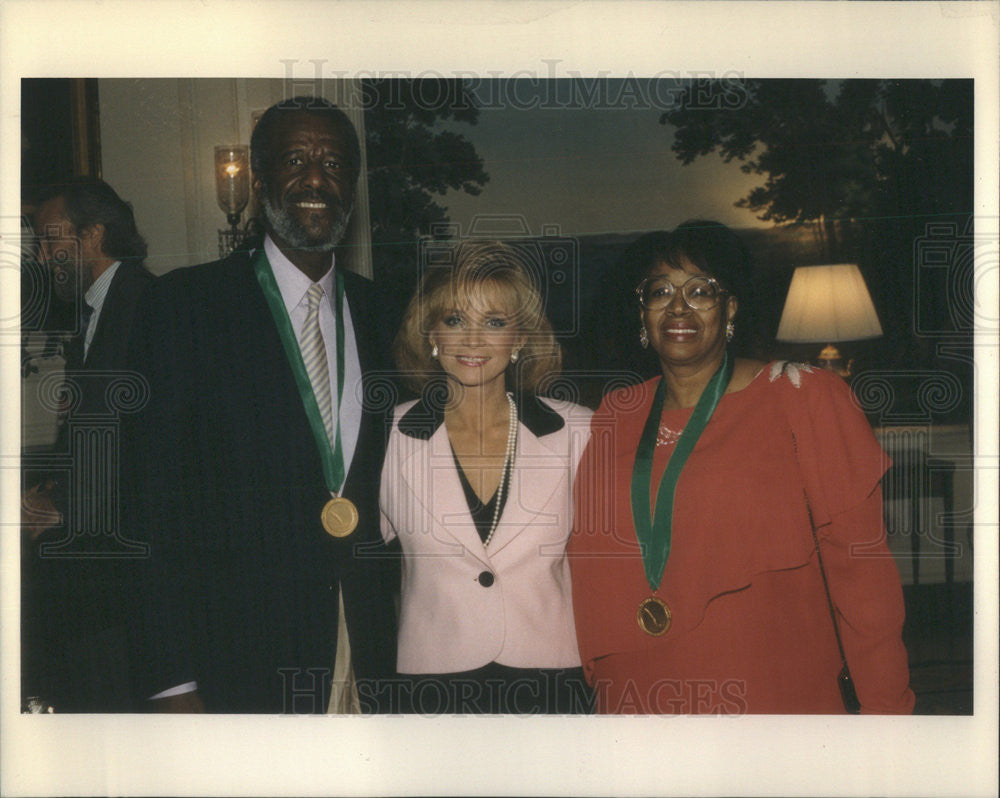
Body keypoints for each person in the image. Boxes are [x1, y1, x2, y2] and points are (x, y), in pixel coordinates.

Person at [569, 220, 914, 714]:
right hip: (638, 696)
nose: (679, 306)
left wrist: (889, 720)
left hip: (768, 692)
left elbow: (864, 582)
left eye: (701, 290)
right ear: (642, 313)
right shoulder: (615, 414)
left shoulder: (803, 398)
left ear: (730, 308)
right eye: (660, 291)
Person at [124, 97, 396, 713]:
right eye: (295, 159)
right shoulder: (184, 308)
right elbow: (148, 509)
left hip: (376, 660)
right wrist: (173, 685)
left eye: (333, 163)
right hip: (240, 666)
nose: (316, 179)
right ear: (259, 179)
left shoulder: (385, 312)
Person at [380, 241, 594, 713]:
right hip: (431, 689)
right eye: (455, 320)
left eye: (494, 323)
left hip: (552, 684)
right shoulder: (386, 436)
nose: (473, 341)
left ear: (520, 339)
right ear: (431, 333)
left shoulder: (579, 430)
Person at [21, 177, 154, 711]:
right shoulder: (97, 312)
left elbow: (147, 446)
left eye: (51, 241)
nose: (42, 255)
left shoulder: (147, 306)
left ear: (94, 235)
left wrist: (64, 508)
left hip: (123, 584)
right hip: (93, 576)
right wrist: (47, 489)